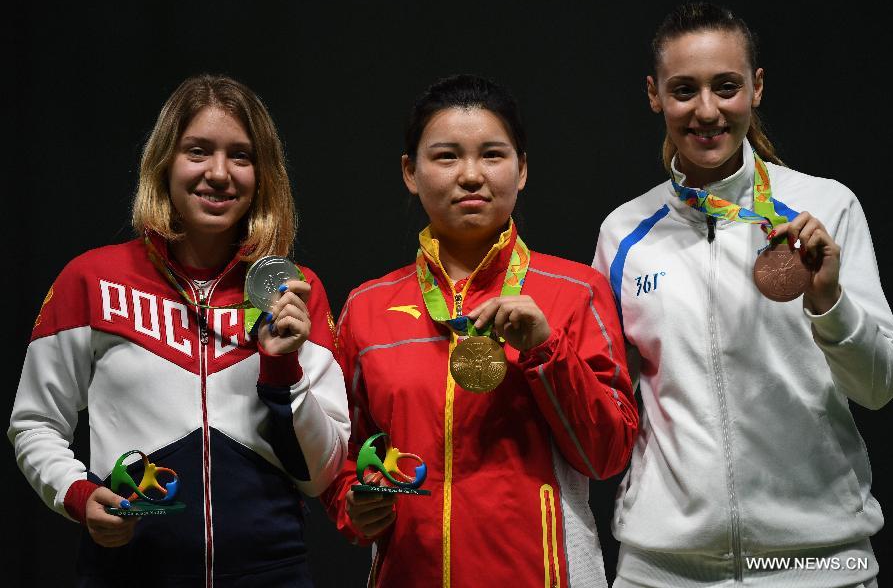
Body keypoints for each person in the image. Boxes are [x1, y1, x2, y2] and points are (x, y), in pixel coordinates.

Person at [593, 2, 893, 588]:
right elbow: (612, 404)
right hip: (662, 570)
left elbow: (879, 387)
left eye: (726, 86)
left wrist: (828, 302)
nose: (707, 111)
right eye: (684, 90)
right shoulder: (623, 233)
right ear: (654, 95)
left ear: (756, 89)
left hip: (819, 564)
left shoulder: (827, 208)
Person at [9, 74, 350, 586]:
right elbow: (33, 422)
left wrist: (282, 369)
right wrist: (77, 494)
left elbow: (320, 474)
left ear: (264, 174)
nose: (219, 174)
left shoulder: (295, 292)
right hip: (127, 572)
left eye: (241, 156)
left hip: (270, 574)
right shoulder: (92, 280)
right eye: (198, 151)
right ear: (165, 162)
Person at [320, 74, 639, 587]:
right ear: (410, 171)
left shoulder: (576, 292)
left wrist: (545, 350)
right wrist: (352, 506)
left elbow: (606, 456)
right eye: (446, 157)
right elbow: (340, 451)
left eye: (492, 155)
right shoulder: (366, 307)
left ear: (523, 169)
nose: (471, 175)